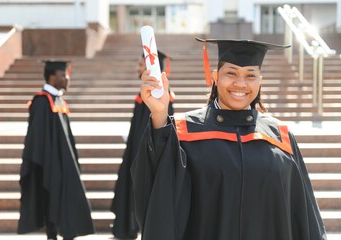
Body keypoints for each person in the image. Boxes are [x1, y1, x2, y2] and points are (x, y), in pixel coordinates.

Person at [131, 38, 328, 240]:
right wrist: (159, 116)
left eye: (250, 75)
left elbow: (304, 215)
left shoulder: (281, 137)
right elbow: (157, 190)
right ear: (216, 77)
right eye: (231, 73)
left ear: (260, 81)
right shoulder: (184, 131)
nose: (240, 83)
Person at [17, 60, 95, 240]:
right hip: (48, 162)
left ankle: (66, 233)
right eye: (64, 75)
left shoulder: (58, 100)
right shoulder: (41, 101)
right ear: (53, 77)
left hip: (63, 161)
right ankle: (52, 235)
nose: (67, 79)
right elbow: (37, 138)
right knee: (50, 197)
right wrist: (49, 163)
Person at [111, 51, 175, 239]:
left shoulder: (161, 96)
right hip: (136, 148)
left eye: (141, 64)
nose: (138, 68)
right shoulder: (144, 95)